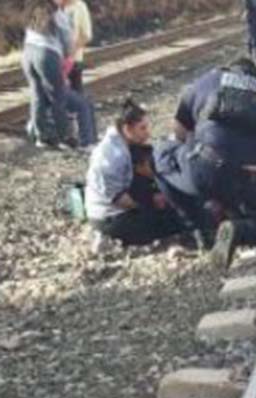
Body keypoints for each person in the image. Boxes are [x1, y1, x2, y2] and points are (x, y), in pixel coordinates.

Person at [155, 57, 256, 269]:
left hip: (210, 169)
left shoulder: (207, 81)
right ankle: (238, 229)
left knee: (161, 153)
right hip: (255, 179)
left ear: (228, 69)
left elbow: (179, 133)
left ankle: (202, 228)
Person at [86, 99, 186, 246]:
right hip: (111, 217)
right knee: (175, 220)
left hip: (116, 207)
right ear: (127, 128)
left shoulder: (122, 143)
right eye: (142, 128)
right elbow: (120, 200)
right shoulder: (113, 156)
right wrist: (150, 205)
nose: (147, 133)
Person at [23, 0, 97, 148]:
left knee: (38, 96)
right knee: (58, 97)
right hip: (47, 55)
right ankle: (65, 137)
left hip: (28, 53)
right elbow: (67, 42)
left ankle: (41, 137)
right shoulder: (58, 13)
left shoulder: (36, 7)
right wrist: (67, 63)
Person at [67, 0, 93, 93]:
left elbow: (86, 35)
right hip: (53, 61)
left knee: (75, 93)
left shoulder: (79, 6)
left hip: (73, 61)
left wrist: (71, 51)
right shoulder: (52, 6)